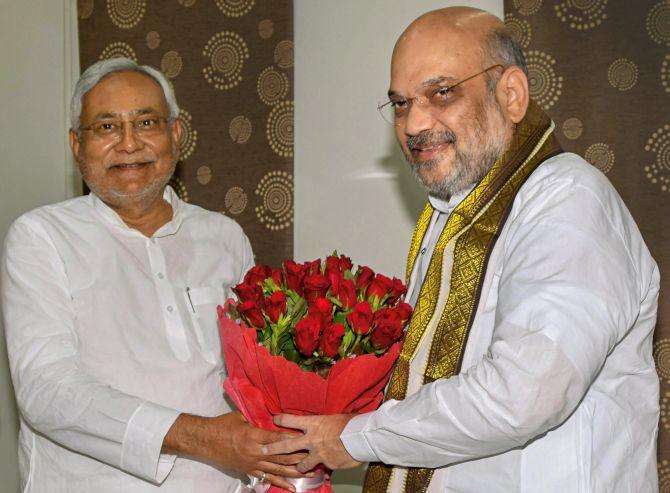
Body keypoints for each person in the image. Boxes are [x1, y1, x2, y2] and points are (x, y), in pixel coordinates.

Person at [264, 7, 660, 492]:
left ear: (510, 95)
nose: (413, 124)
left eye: (441, 92)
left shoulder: (568, 200)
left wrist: (355, 437)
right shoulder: (448, 216)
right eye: (402, 104)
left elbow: (524, 394)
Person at [1, 58, 304, 492]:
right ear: (75, 145)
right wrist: (207, 438)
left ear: (175, 135)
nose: (129, 143)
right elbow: (47, 392)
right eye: (106, 127)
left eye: (146, 121)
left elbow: (254, 374)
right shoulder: (40, 237)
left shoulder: (224, 237)